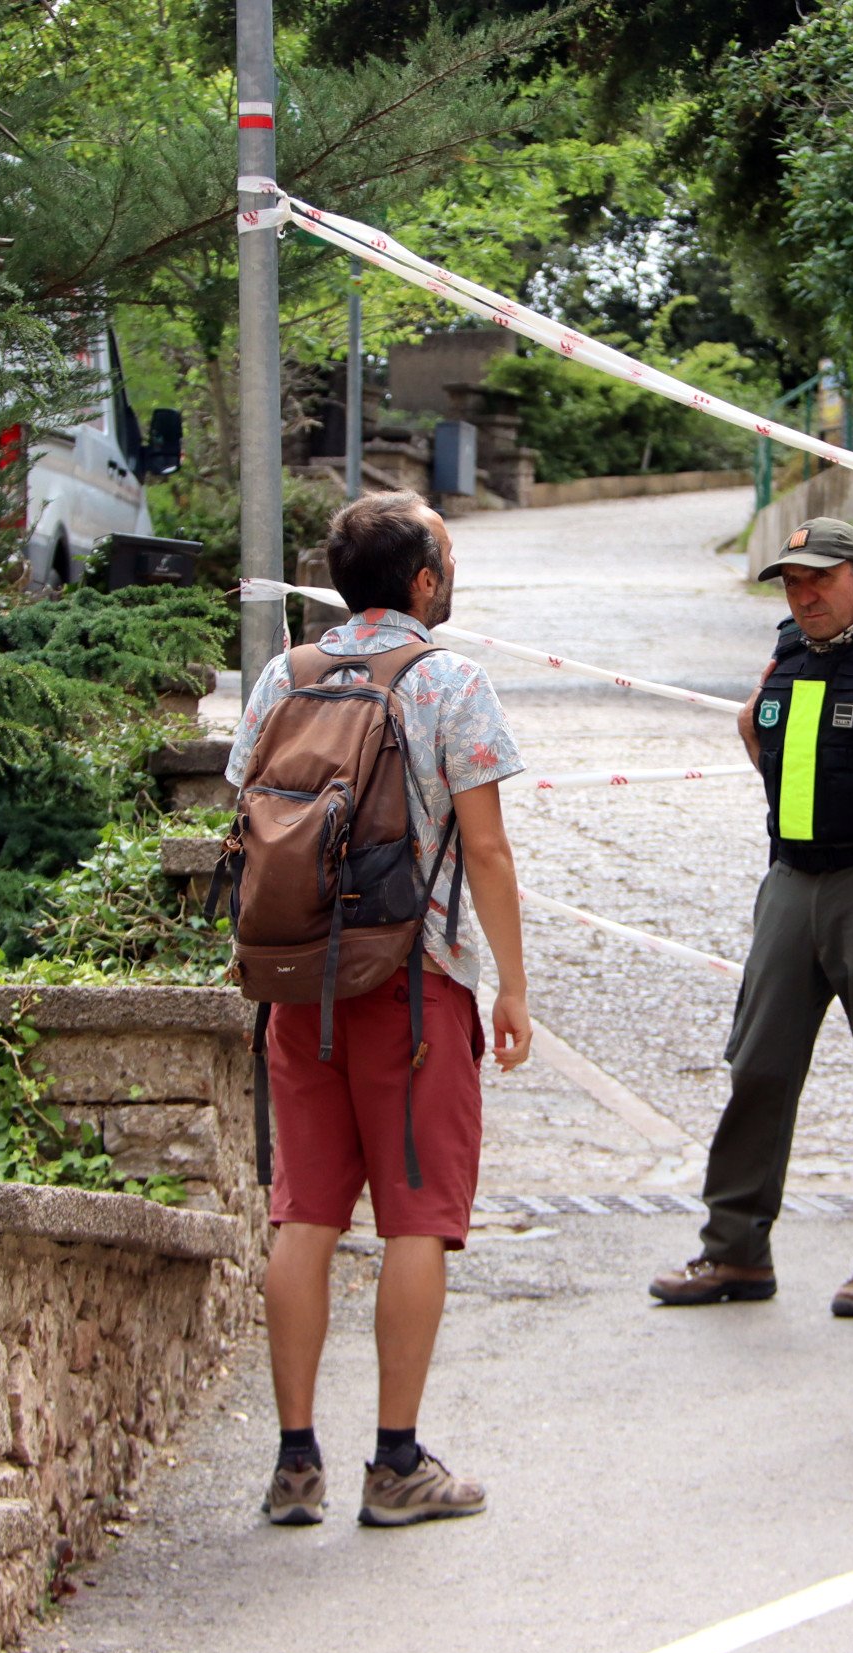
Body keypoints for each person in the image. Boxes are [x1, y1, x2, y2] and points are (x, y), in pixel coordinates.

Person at [224, 490, 535, 1526]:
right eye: (444, 555)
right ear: (421, 581)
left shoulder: (285, 675)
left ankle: (294, 1462)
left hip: (296, 983)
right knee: (416, 1217)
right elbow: (484, 848)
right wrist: (513, 985)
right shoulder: (450, 680)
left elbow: (247, 806)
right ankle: (396, 1462)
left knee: (303, 1214)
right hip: (412, 985)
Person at [650, 517, 853, 1318]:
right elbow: (765, 740)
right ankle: (734, 1249)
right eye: (792, 581)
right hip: (791, 878)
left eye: (819, 578)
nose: (803, 593)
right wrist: (749, 729)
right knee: (758, 1062)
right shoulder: (790, 648)